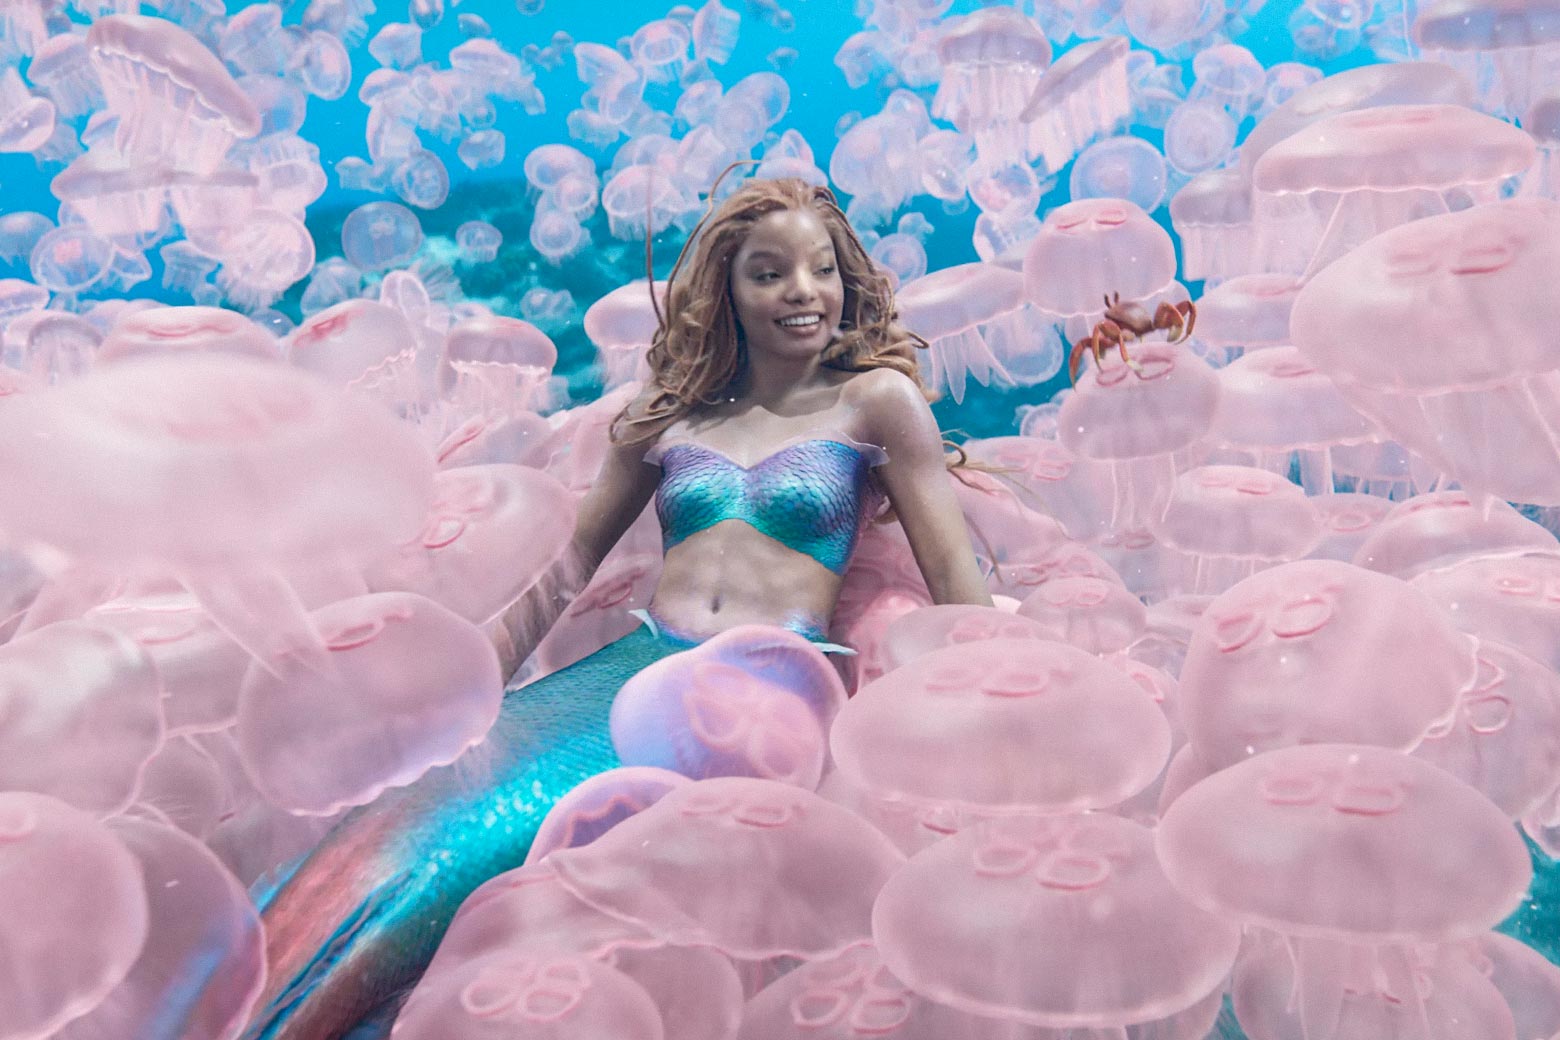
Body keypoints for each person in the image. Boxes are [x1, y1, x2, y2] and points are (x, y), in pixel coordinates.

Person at [241, 177, 993, 1040]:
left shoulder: (878, 403)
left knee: (477, 863)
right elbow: (561, 574)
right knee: (403, 828)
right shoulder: (665, 415)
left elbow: (956, 588)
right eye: (769, 272)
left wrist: (994, 726)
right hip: (625, 670)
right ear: (726, 290)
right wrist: (450, 697)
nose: (803, 293)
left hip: (763, 694)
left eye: (822, 269)